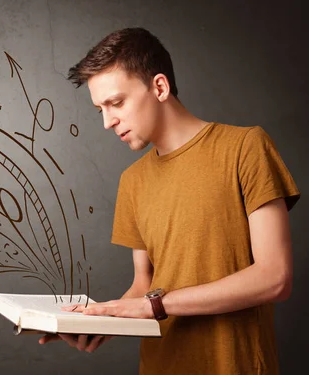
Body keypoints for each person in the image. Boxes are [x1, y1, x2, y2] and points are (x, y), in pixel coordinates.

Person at [38, 27, 300, 374]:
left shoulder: (245, 148)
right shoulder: (132, 181)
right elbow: (144, 288)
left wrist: (155, 306)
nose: (107, 121)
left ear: (159, 87)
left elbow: (275, 277)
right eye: (100, 109)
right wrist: (100, 319)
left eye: (116, 103)